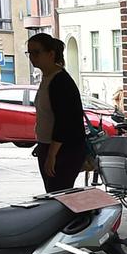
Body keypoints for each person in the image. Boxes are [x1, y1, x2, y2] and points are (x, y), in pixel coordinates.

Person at [27, 32, 88, 192]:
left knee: (58, 195)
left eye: (36, 52)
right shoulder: (48, 78)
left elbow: (65, 121)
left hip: (63, 149)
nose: (32, 57)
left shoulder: (60, 81)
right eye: (29, 53)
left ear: (51, 54)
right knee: (54, 193)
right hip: (48, 145)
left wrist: (52, 154)